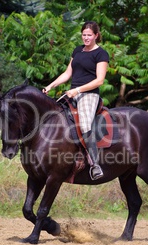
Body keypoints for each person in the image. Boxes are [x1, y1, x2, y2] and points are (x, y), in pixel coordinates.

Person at [43, 21, 109, 180]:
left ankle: (94, 165)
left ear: (96, 36)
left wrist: (77, 90)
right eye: (84, 35)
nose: (86, 38)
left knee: (85, 124)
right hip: (71, 93)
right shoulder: (77, 51)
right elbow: (67, 73)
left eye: (89, 35)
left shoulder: (101, 54)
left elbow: (99, 81)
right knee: (54, 117)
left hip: (89, 94)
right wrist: (50, 86)